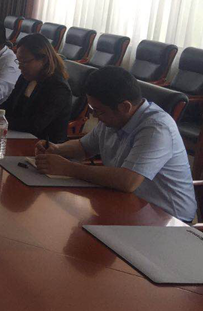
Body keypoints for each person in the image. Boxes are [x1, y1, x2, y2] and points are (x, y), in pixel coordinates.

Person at [35, 66, 197, 222]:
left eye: (98, 110)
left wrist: (68, 168)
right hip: (130, 203)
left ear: (125, 107)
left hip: (169, 218)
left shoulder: (156, 128)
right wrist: (57, 149)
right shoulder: (112, 119)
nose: (95, 116)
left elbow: (127, 181)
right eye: (92, 109)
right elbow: (83, 147)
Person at [0, 33, 71, 142]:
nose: (20, 66)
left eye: (25, 62)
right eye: (18, 61)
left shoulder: (58, 88)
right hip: (18, 136)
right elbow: (9, 104)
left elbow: (35, 125)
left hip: (44, 145)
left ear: (43, 60)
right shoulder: (26, 77)